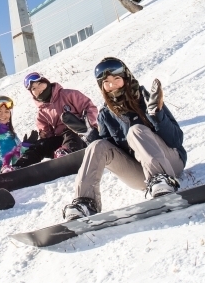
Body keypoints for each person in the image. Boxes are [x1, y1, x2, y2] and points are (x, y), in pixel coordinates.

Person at [62, 57, 187, 221]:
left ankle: (162, 180)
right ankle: (85, 203)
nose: (112, 85)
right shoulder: (105, 115)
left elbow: (176, 140)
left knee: (136, 131)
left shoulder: (145, 99)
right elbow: (109, 152)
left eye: (116, 79)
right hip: (141, 175)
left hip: (170, 164)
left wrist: (157, 115)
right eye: (106, 82)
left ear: (126, 79)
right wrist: (90, 136)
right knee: (97, 145)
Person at [12, 72, 98, 169]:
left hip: (82, 136)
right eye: (34, 88)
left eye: (39, 84)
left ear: (46, 82)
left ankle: (67, 154)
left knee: (70, 132)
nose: (38, 89)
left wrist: (87, 124)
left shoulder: (68, 94)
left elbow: (89, 108)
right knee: (41, 144)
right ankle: (19, 165)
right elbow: (48, 134)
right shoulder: (42, 112)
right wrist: (44, 135)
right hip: (62, 141)